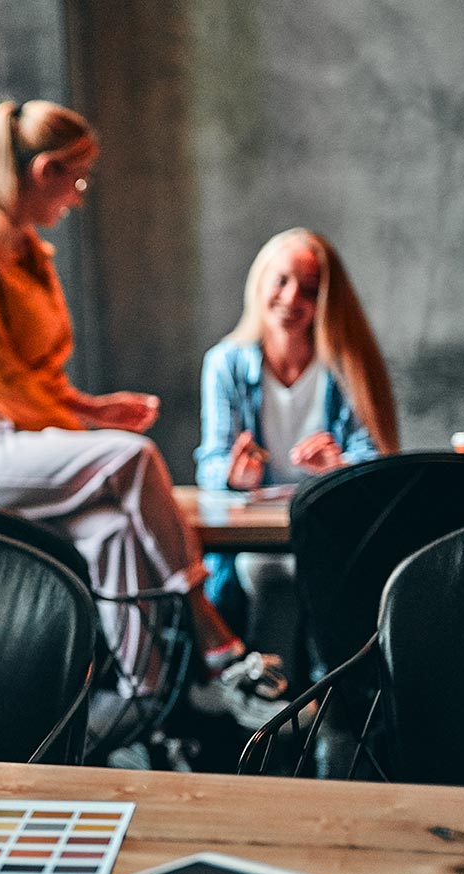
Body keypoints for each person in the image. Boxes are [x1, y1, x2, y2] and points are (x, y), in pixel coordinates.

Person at [0, 99, 282, 729]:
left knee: (111, 531)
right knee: (133, 457)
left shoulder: (31, 255)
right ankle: (211, 631)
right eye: (75, 178)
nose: (78, 195)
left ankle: (146, 702)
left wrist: (90, 406)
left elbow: (36, 377)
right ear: (42, 170)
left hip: (23, 432)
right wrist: (91, 427)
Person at [194, 227, 399, 681]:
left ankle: (322, 712)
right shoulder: (226, 364)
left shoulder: (346, 365)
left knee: (325, 571)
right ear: (260, 281)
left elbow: (378, 466)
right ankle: (284, 716)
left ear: (328, 300)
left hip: (331, 530)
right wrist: (235, 476)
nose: (292, 298)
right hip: (259, 543)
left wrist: (338, 470)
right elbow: (211, 464)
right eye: (282, 280)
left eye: (310, 289)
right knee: (269, 572)